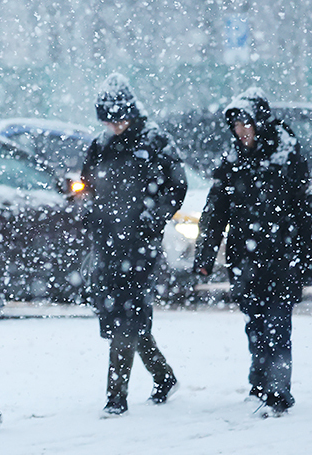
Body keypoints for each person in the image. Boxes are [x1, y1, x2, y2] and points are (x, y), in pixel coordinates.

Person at [193, 87, 312, 416]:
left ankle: (278, 391)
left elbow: (307, 211)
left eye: (246, 124)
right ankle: (260, 381)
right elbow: (215, 209)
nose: (241, 131)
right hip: (245, 259)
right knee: (255, 324)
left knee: (278, 326)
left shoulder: (286, 154)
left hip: (282, 257)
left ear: (261, 122)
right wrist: (205, 257)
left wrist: (310, 263)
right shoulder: (233, 159)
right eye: (236, 125)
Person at [80, 74, 187, 416]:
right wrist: (92, 213)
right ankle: (164, 376)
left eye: (119, 119)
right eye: (108, 121)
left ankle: (116, 396)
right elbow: (87, 185)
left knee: (127, 315)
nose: (114, 126)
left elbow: (176, 186)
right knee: (120, 315)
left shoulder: (155, 141)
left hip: (140, 244)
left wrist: (151, 218)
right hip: (108, 243)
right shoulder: (100, 144)